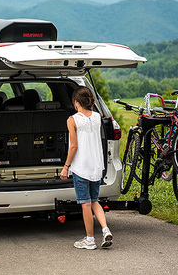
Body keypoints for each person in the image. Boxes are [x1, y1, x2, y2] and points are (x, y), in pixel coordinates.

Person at [60, 86, 113, 250]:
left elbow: (74, 147)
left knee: (85, 204)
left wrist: (66, 167)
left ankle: (90, 239)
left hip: (81, 168)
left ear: (76, 102)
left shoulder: (72, 120)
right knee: (95, 201)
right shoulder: (97, 117)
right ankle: (105, 229)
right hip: (96, 167)